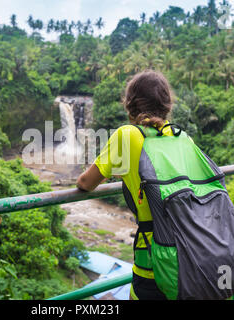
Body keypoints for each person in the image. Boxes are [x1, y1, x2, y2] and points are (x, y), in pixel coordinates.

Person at [76, 70, 174, 300]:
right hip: (190, 246)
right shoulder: (179, 136)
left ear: (130, 105)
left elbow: (85, 182)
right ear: (167, 105)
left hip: (154, 252)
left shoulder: (127, 135)